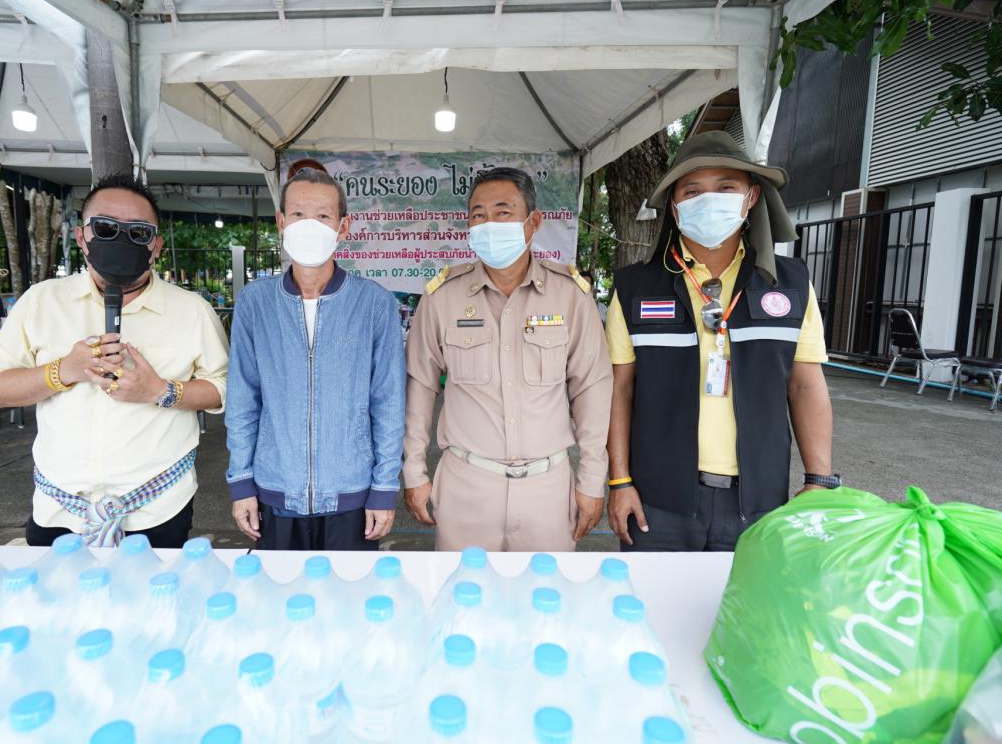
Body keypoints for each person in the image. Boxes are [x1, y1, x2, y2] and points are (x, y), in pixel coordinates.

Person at [606, 131, 837, 553]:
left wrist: (818, 479)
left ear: (751, 197)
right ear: (674, 206)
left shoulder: (790, 284)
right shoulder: (634, 288)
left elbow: (806, 385)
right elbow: (620, 390)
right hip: (656, 501)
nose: (709, 200)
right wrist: (620, 482)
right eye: (692, 191)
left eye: (726, 187)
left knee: (747, 597)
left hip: (759, 501)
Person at [0, 174, 229, 548]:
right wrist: (63, 371)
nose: (121, 240)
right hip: (59, 506)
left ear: (156, 246)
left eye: (138, 232)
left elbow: (224, 389)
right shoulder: (41, 302)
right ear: (82, 237)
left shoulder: (192, 311)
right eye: (106, 228)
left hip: (158, 506)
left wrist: (161, 391)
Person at [403, 167, 612, 552]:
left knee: (545, 588)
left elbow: (592, 390)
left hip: (547, 490)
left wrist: (591, 480)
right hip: (467, 486)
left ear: (533, 222)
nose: (489, 225)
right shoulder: (442, 297)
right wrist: (414, 471)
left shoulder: (570, 296)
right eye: (478, 215)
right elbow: (420, 386)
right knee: (465, 588)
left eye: (503, 212)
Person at [226, 167, 404, 551]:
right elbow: (243, 398)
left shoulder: (374, 303)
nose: (309, 225)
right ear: (281, 222)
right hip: (275, 490)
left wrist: (384, 487)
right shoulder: (256, 302)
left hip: (351, 492)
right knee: (279, 588)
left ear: (343, 227)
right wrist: (241, 483)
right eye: (298, 214)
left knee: (349, 590)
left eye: (323, 216)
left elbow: (388, 402)